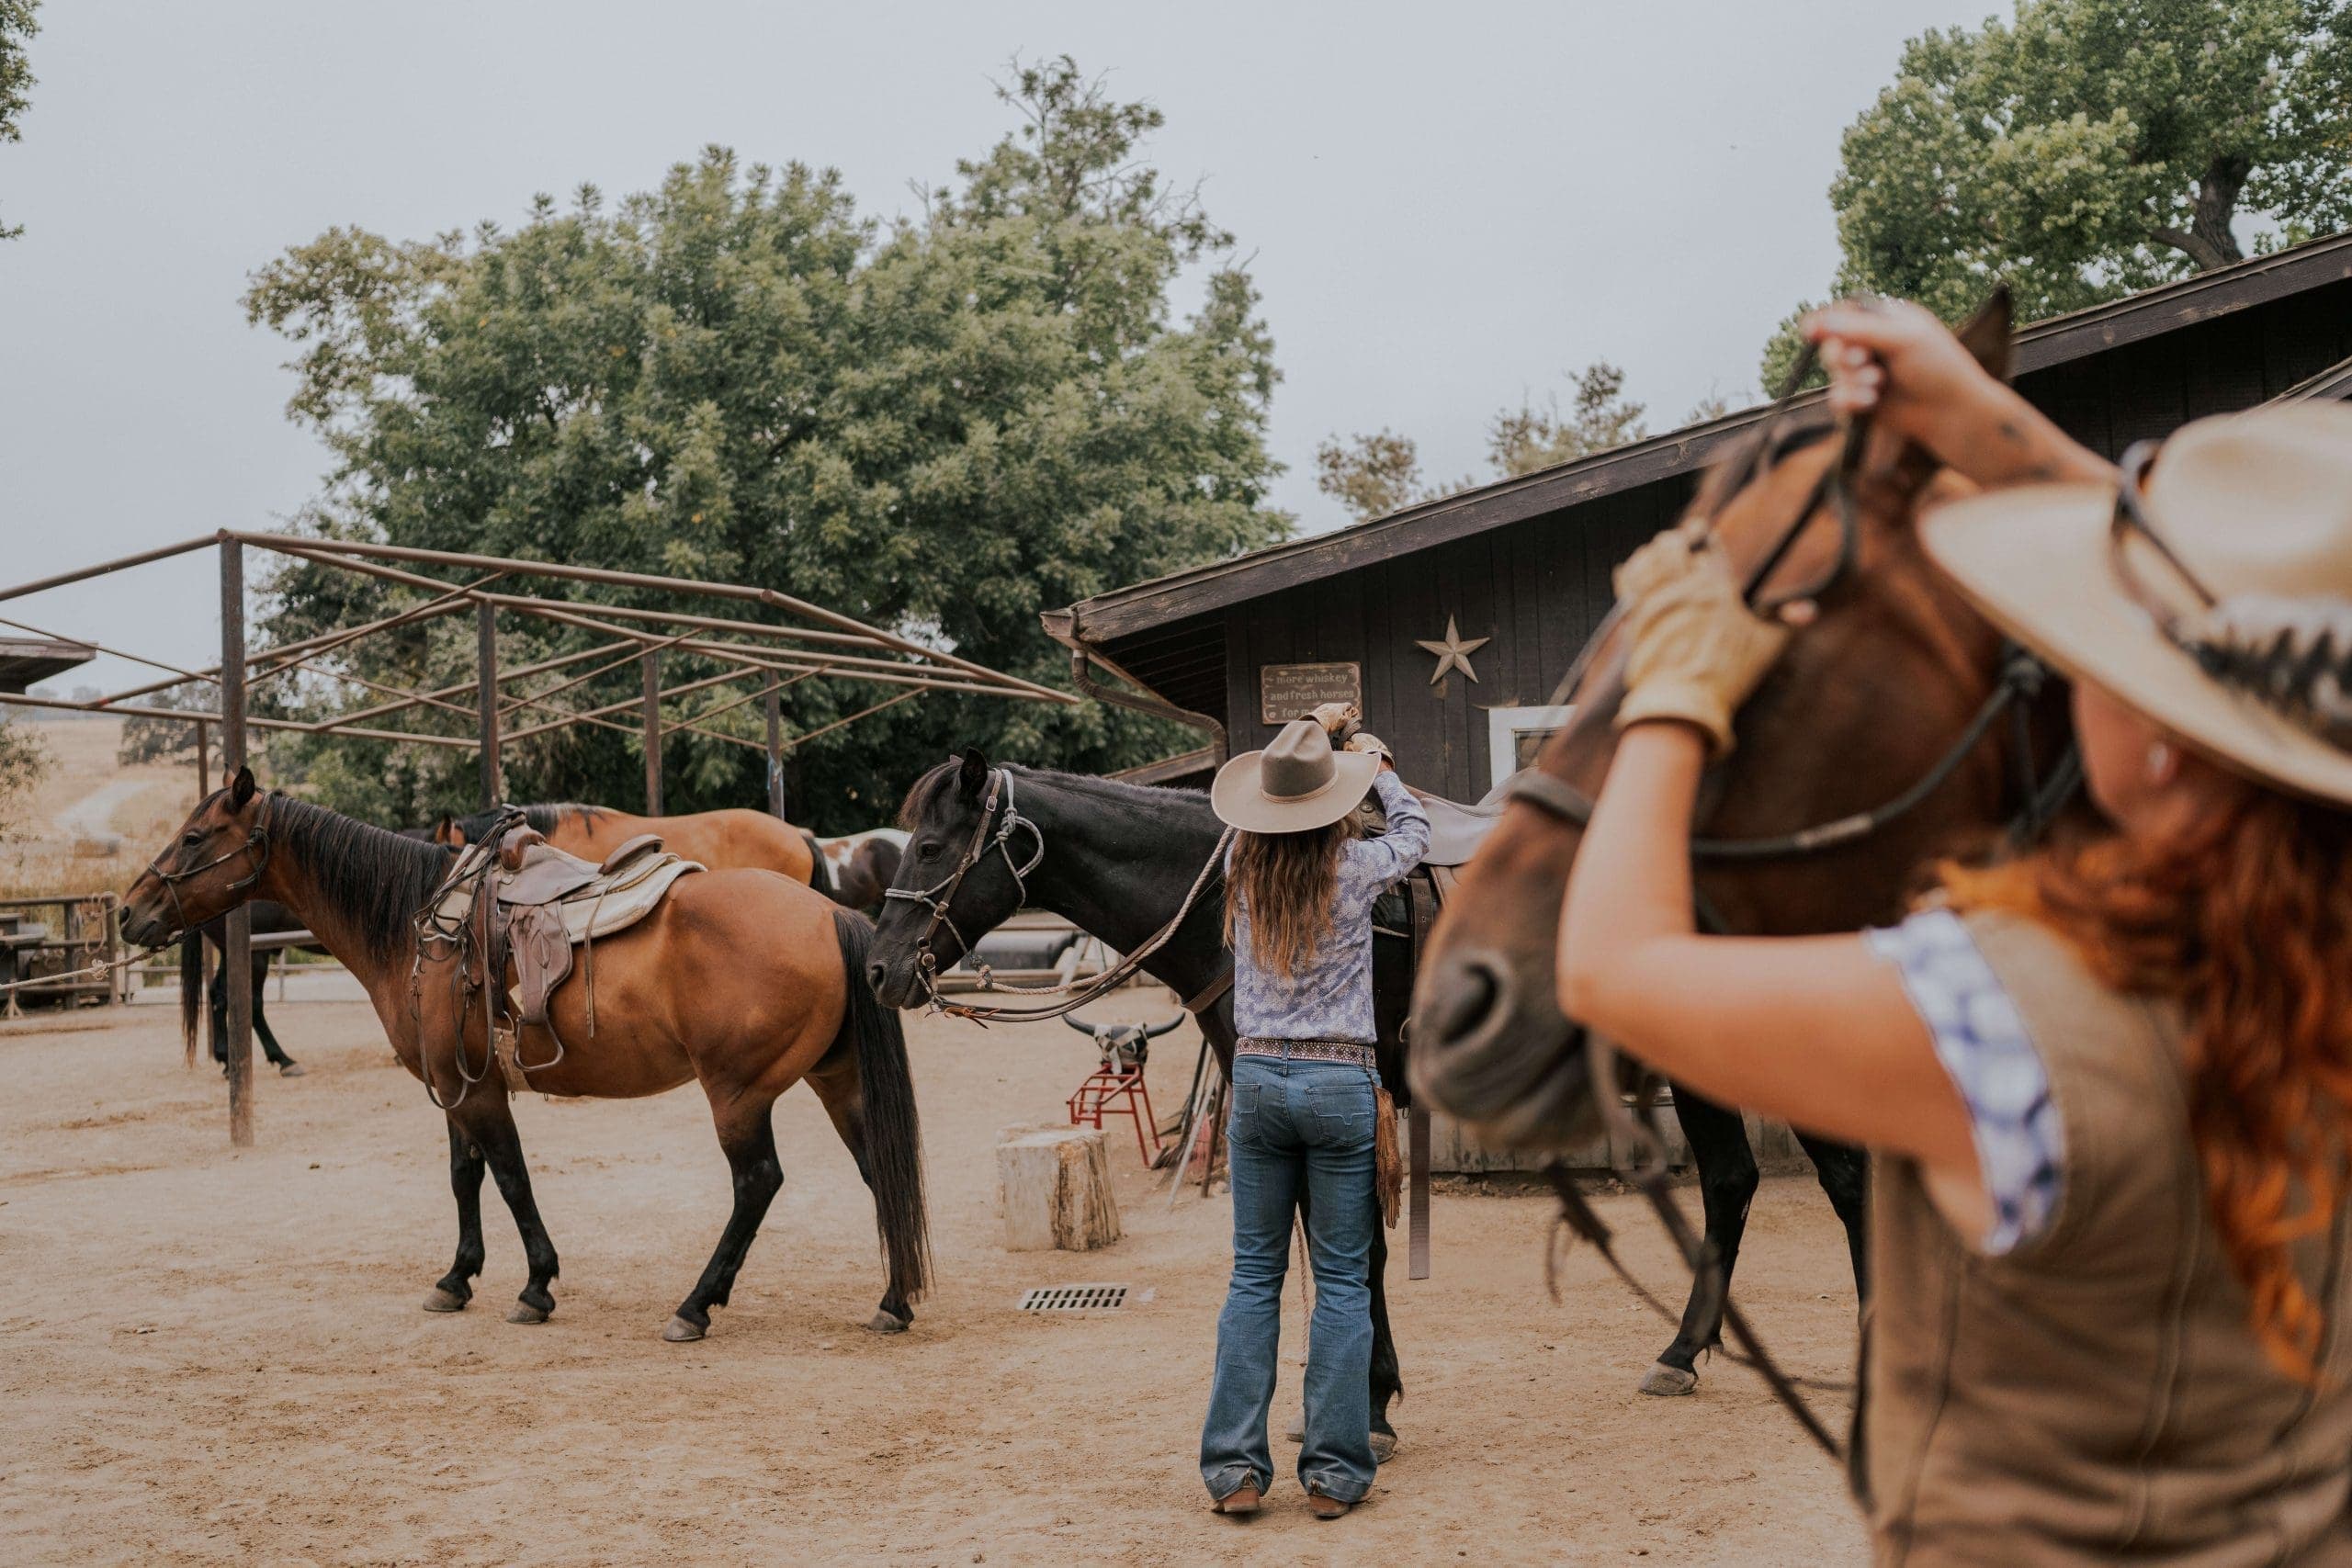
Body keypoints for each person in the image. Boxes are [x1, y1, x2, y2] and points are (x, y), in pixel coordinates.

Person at [1555, 295, 2352, 1564]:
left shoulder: (2018, 1013)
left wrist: (1674, 688)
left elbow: (1611, 967)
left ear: (2153, 732)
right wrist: (1977, 417)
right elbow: (2255, 625)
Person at [1199, 709, 1429, 1520]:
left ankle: (1234, 1469)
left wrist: (1310, 733)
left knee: (1253, 1276)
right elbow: (1415, 831)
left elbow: (1259, 806)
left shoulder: (1238, 866)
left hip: (1258, 1077)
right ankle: (1333, 1471)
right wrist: (1375, 759)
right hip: (1340, 1085)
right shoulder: (1359, 867)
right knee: (1339, 1281)